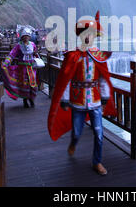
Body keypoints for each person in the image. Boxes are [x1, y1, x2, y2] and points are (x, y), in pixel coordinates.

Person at [47, 11, 116, 176]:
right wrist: (64, 99)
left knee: (99, 134)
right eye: (85, 34)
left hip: (95, 101)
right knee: (77, 132)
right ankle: (73, 142)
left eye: (90, 34)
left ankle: (97, 162)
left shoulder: (98, 56)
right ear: (81, 36)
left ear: (94, 37)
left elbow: (103, 79)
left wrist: (105, 97)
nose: (87, 37)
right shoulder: (73, 56)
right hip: (77, 102)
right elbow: (66, 79)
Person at [1, 27, 39, 108]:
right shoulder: (18, 46)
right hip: (22, 68)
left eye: (27, 36)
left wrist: (36, 55)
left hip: (31, 68)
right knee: (24, 84)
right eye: (24, 36)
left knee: (32, 84)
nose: (26, 37)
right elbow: (12, 55)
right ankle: (25, 101)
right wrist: (6, 63)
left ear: (29, 36)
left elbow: (35, 54)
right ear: (22, 37)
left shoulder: (32, 45)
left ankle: (31, 99)